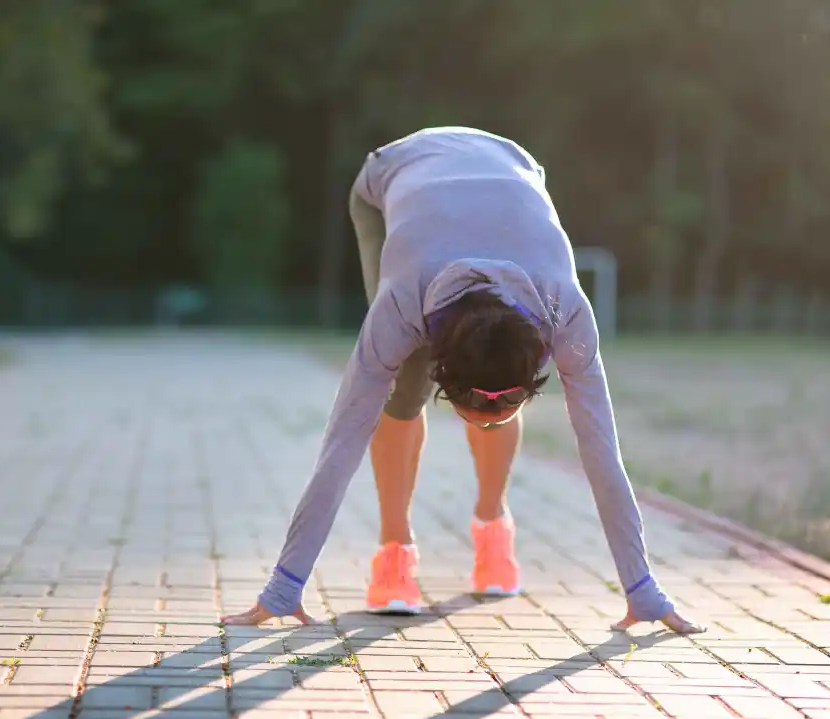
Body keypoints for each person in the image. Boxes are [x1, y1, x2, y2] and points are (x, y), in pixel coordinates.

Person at [222, 127, 705, 635]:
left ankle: (493, 525)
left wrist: (642, 589)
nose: (497, 410)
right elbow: (342, 442)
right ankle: (394, 550)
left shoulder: (565, 308)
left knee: (486, 376)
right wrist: (285, 585)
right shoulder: (403, 300)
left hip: (511, 163)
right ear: (446, 378)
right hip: (392, 173)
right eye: (483, 405)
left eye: (508, 402)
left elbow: (602, 450)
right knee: (399, 388)